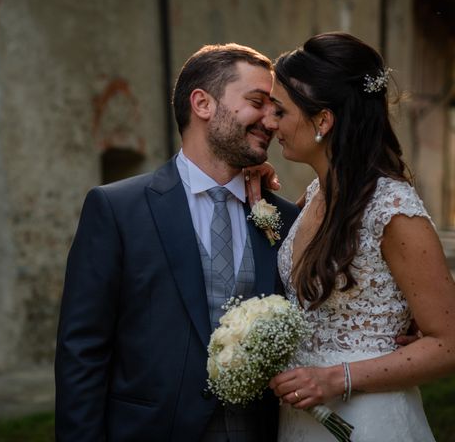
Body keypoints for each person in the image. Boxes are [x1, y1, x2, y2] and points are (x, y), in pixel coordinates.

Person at [55, 43, 299, 441]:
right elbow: (82, 351)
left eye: (275, 109)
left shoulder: (286, 219)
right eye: (258, 102)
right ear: (202, 103)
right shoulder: (118, 210)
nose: (270, 121)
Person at [265, 32, 455, 441]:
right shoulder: (317, 194)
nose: (269, 122)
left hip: (368, 419)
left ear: (322, 120)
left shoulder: (392, 209)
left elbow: (449, 343)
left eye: (279, 111)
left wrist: (337, 379)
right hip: (303, 417)